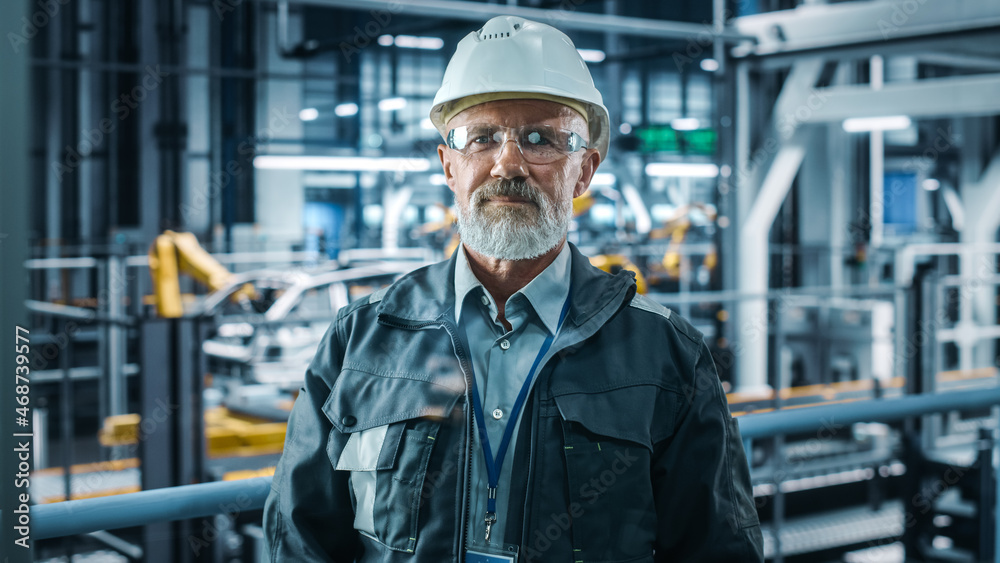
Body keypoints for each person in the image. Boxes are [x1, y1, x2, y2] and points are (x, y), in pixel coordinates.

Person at [264, 15, 763, 563]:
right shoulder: (358, 343)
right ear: (448, 166)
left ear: (584, 171)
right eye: (482, 137)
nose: (509, 163)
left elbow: (719, 550)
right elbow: (300, 539)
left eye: (540, 139)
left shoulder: (669, 358)